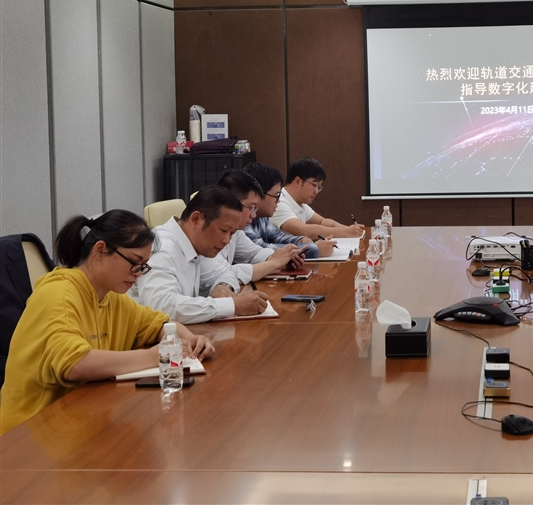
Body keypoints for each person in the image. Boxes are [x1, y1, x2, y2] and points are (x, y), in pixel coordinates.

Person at [0, 210, 215, 434]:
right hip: (29, 433)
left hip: (80, 419)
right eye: (134, 263)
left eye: (143, 266)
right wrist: (155, 356)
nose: (138, 274)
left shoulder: (112, 297)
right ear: (100, 250)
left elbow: (159, 325)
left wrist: (191, 340)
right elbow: (74, 365)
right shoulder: (59, 294)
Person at [130, 186, 269, 324]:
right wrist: (232, 305)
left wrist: (223, 287)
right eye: (223, 230)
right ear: (196, 219)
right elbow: (163, 308)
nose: (227, 240)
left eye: (232, 233)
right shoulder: (162, 248)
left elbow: (226, 274)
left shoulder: (196, 244)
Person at [213, 169, 313, 281]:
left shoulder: (237, 232)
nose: (253, 215)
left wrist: (281, 259)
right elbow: (223, 273)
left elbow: (254, 254)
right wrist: (274, 263)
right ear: (230, 204)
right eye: (250, 207)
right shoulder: (209, 230)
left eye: (255, 208)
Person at [243, 162, 337, 257]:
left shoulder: (262, 217)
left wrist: (301, 240)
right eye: (276, 196)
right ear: (257, 194)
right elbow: (260, 250)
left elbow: (277, 237)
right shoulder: (243, 219)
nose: (278, 201)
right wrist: (314, 249)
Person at [270, 158, 364, 239]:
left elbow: (322, 222)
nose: (316, 191)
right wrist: (345, 232)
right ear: (297, 181)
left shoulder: (299, 203)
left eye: (319, 187)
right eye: (314, 185)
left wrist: (347, 229)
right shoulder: (279, 202)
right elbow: (303, 230)